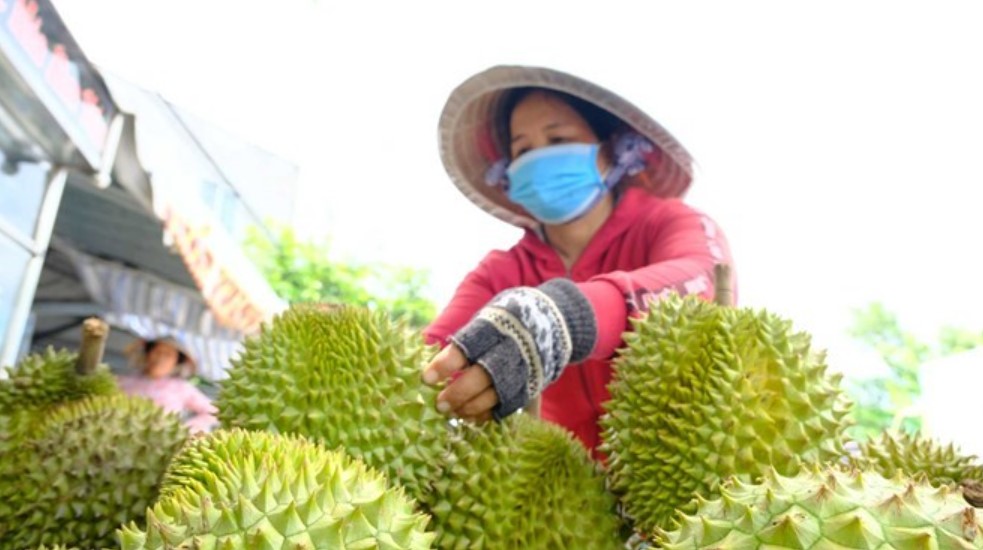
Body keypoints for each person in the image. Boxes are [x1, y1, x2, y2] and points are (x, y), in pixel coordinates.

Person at [421, 65, 737, 460]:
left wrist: (568, 315)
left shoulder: (670, 224)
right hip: (562, 483)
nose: (540, 158)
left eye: (558, 139)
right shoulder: (502, 273)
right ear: (508, 172)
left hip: (683, 460)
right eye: (523, 151)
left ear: (613, 149)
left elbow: (703, 280)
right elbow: (432, 358)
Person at [117, 336, 218, 433]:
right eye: (158, 352)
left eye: (168, 355)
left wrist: (187, 428)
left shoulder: (181, 387)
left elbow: (213, 411)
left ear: (176, 362)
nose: (161, 357)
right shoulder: (124, 381)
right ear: (148, 353)